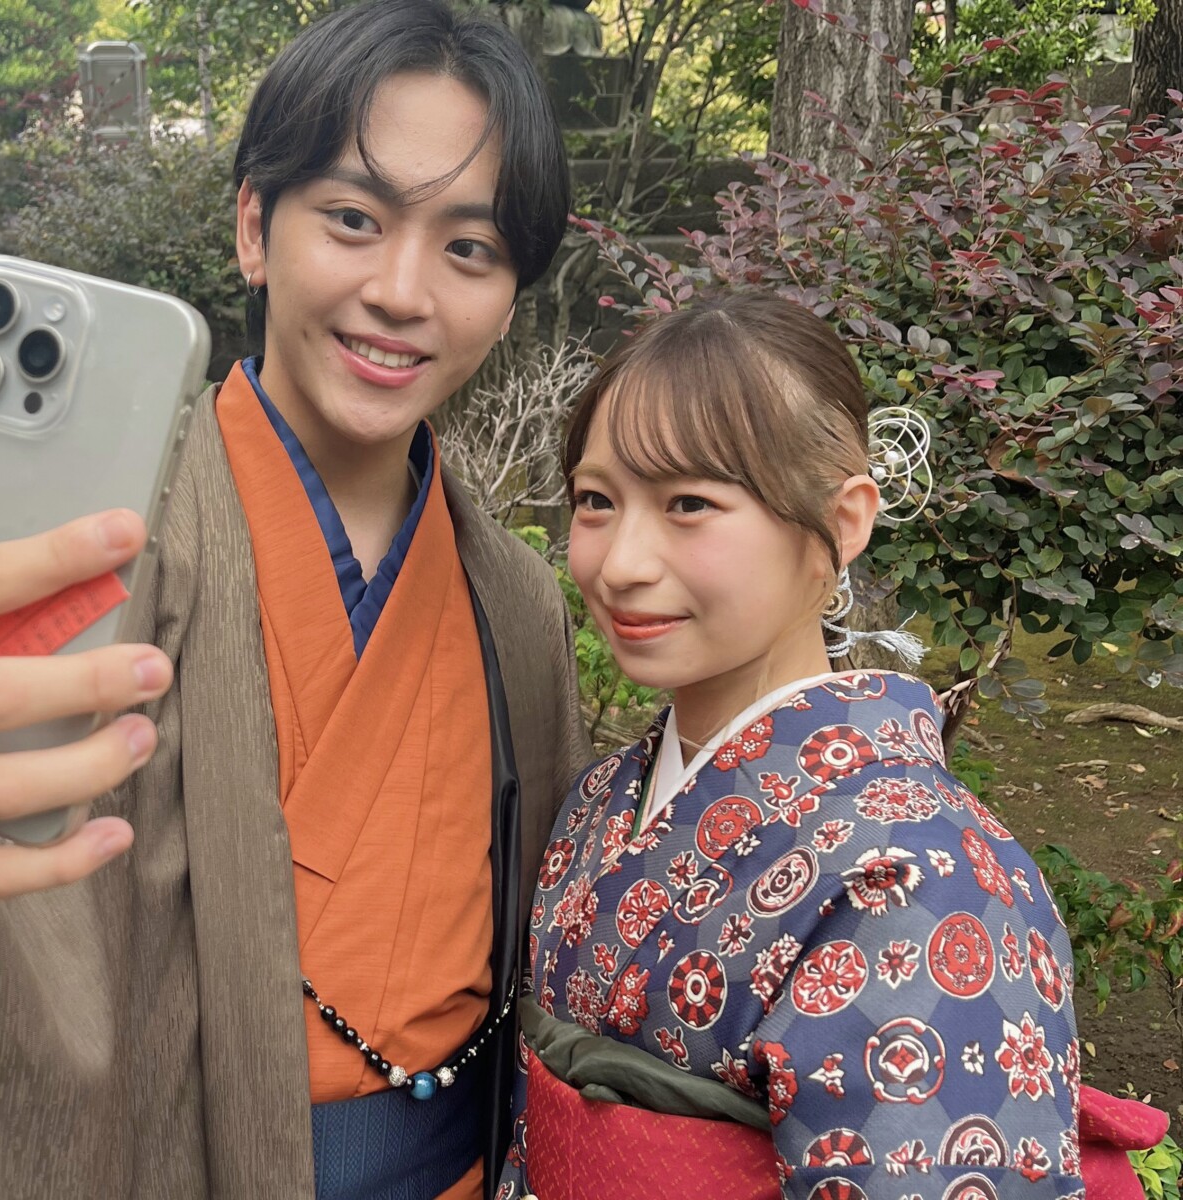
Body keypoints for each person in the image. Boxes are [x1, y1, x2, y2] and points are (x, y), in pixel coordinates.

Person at [0, 3, 586, 1197]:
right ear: (255, 228)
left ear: (510, 296)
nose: (403, 290)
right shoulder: (83, 548)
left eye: (468, 249)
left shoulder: (514, 602)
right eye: (353, 220)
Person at [497, 290, 1170, 1200]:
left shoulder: (923, 881)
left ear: (844, 523)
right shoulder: (598, 801)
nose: (620, 564)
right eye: (596, 501)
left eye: (689, 502)